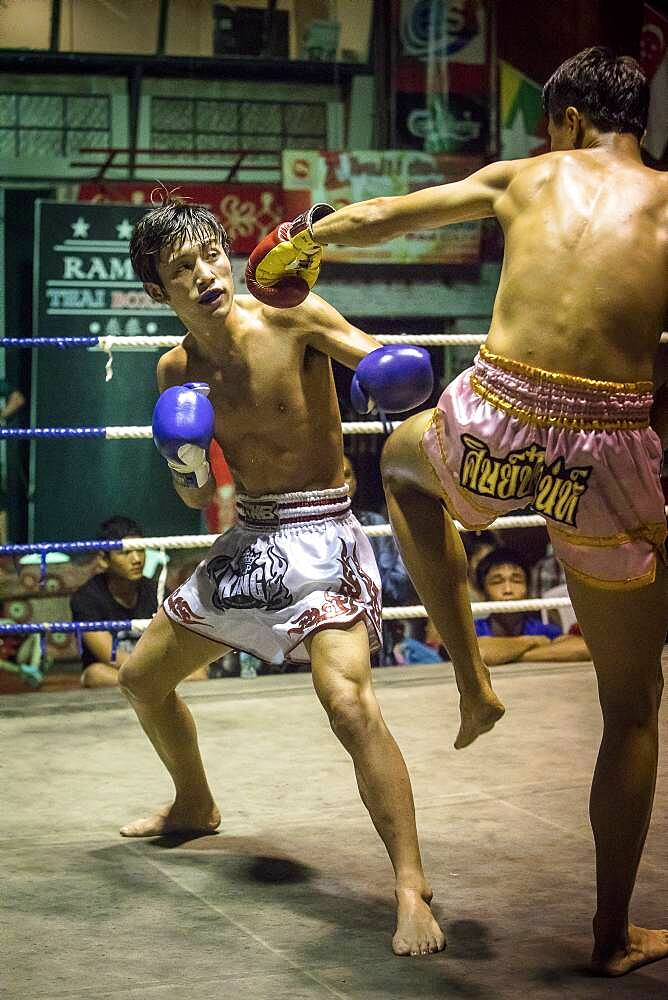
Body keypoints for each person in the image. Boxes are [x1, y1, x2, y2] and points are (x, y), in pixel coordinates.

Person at [247, 48, 668, 977]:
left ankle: (472, 679)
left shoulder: (526, 176)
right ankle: (610, 937)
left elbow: (378, 216)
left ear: (562, 120)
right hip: (608, 448)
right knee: (633, 707)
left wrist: (298, 242)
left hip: (501, 413)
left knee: (401, 468)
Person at [119, 196, 444, 958]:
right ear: (158, 293)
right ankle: (194, 805)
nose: (205, 275)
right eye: (181, 270)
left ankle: (409, 885)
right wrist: (187, 463)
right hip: (253, 539)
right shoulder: (175, 369)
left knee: (347, 702)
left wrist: (381, 374)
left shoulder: (292, 313)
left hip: (325, 530)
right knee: (140, 680)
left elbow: (383, 364)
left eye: (208, 256)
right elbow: (193, 494)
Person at [71, 516, 209, 688]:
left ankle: (156, 689)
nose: (136, 559)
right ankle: (155, 687)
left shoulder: (155, 590)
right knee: (95, 674)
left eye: (140, 550)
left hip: (155, 671)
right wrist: (157, 676)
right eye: (125, 552)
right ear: (104, 559)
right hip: (121, 672)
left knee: (199, 670)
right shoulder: (86, 598)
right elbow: (108, 655)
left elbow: (178, 639)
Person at [343, 452, 413, 663]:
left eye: (347, 475)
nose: (343, 483)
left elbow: (398, 586)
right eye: (335, 477)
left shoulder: (374, 523)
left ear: (355, 481)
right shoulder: (311, 530)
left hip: (375, 624)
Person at [473, 547, 589, 665]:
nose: (508, 590)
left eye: (516, 580)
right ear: (482, 592)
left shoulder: (541, 629)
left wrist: (509, 655)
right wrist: (531, 641)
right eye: (497, 582)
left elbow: (582, 648)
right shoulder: (473, 630)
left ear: (528, 589)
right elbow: (479, 653)